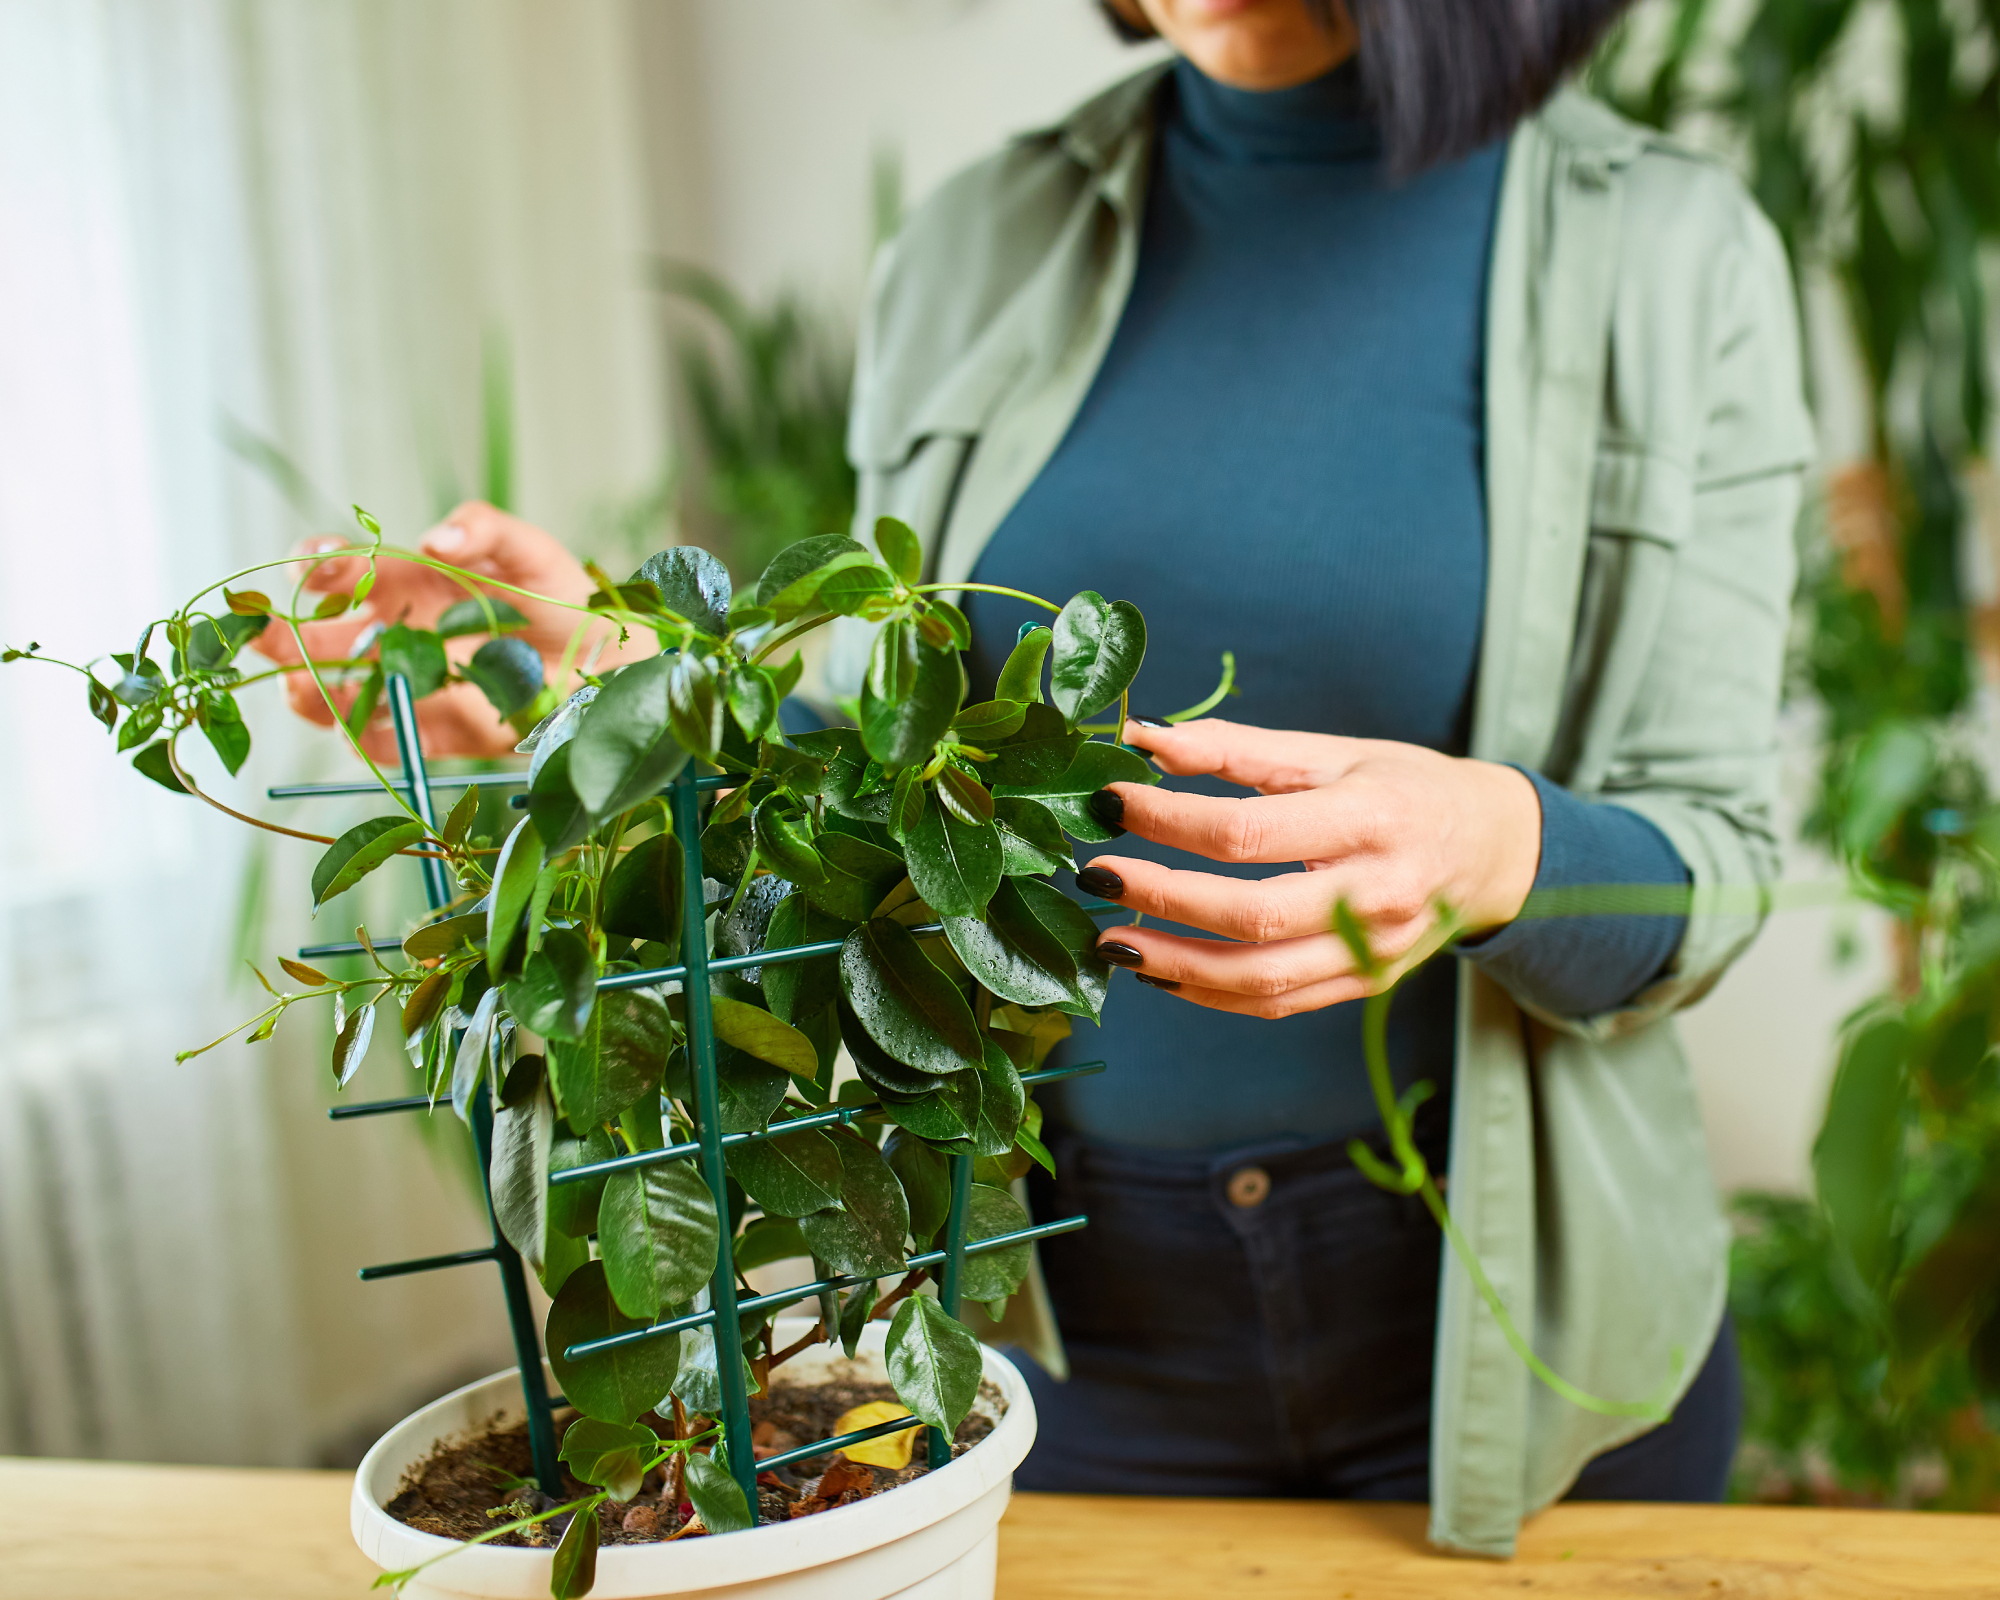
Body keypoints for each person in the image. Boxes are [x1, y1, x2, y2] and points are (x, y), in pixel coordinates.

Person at [267, 0, 1811, 1558]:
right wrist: (602, 683)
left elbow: (1719, 863)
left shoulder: (1674, 261)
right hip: (1059, 1322)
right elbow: (902, 809)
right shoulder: (977, 244)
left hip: (1509, 1328)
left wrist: (1504, 849)